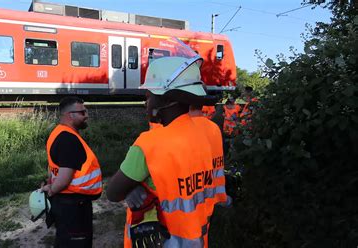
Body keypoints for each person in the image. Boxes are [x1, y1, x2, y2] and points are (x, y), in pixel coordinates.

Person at [107, 42, 227, 248]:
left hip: (160, 240)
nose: (147, 103)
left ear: (165, 100)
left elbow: (113, 193)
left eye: (149, 96)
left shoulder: (149, 143)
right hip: (197, 237)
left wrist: (132, 188)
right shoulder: (206, 130)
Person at [41, 96, 102, 248]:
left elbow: (53, 167)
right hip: (73, 207)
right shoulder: (69, 139)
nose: (86, 115)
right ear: (70, 115)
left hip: (66, 204)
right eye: (82, 112)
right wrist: (51, 190)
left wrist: (51, 186)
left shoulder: (58, 133)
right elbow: (64, 179)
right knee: (76, 243)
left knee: (65, 241)